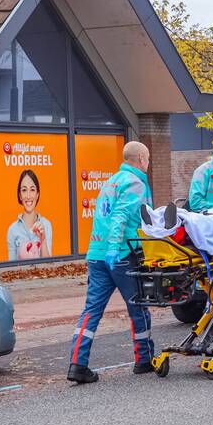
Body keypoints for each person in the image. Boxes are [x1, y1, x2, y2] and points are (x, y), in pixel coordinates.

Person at [67, 141, 154, 384]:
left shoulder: (110, 181)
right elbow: (120, 217)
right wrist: (116, 248)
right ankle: (144, 359)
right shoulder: (135, 182)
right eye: (147, 159)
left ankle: (77, 363)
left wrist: (106, 249)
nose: (148, 164)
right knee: (138, 306)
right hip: (122, 254)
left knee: (91, 311)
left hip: (96, 253)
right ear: (138, 159)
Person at [6, 169, 53, 260]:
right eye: (24, 190)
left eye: (32, 190)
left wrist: (42, 240)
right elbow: (11, 268)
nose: (28, 196)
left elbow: (49, 266)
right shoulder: (12, 230)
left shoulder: (46, 225)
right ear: (19, 195)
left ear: (37, 194)